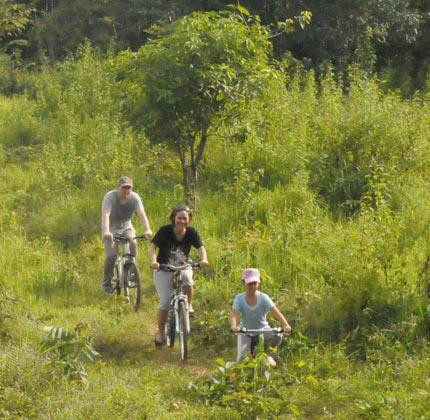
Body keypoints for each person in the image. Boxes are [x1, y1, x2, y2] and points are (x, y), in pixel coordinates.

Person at [149, 204, 208, 346]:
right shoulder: (165, 231)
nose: (182, 221)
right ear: (174, 218)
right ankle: (161, 331)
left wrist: (204, 259)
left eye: (185, 218)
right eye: (179, 218)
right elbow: (153, 247)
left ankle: (188, 303)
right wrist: (154, 261)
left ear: (189, 220)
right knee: (165, 301)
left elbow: (201, 248)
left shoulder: (191, 232)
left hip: (183, 266)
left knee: (188, 278)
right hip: (164, 268)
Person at [101, 176, 152, 294]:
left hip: (126, 227)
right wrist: (107, 231)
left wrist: (147, 229)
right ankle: (106, 284)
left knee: (133, 242)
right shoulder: (110, 197)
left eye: (129, 188)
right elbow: (105, 215)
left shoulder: (135, 197)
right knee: (112, 255)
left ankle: (132, 272)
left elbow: (142, 214)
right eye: (124, 188)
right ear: (118, 188)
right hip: (111, 229)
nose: (126, 191)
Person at [230, 268, 292, 367]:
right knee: (241, 361)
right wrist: (234, 327)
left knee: (278, 334)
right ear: (244, 283)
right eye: (249, 283)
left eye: (255, 283)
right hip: (245, 331)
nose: (252, 286)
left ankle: (270, 355)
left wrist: (286, 325)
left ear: (258, 283)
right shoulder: (239, 298)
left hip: (263, 330)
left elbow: (276, 312)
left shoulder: (263, 298)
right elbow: (234, 314)